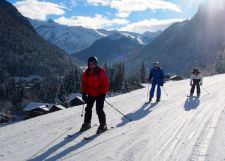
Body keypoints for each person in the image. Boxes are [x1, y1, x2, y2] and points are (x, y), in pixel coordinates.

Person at [81, 56, 109, 133]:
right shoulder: (86, 73)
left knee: (99, 109)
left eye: (93, 63)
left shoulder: (101, 72)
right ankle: (87, 123)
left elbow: (106, 84)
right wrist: (84, 93)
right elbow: (84, 83)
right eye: (90, 64)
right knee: (88, 108)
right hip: (91, 93)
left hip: (100, 93)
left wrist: (103, 94)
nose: (91, 65)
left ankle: (103, 125)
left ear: (96, 64)